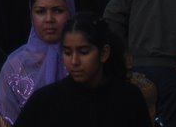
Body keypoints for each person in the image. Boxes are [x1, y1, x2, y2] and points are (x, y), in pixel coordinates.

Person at [13, 13, 151, 127]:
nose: (74, 61)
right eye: (67, 52)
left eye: (83, 52)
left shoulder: (128, 98)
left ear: (104, 53)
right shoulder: (46, 101)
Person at [0, 0, 76, 126]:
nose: (49, 19)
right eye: (41, 11)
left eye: (58, 10)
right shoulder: (15, 67)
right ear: (31, 15)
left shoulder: (82, 59)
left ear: (70, 12)